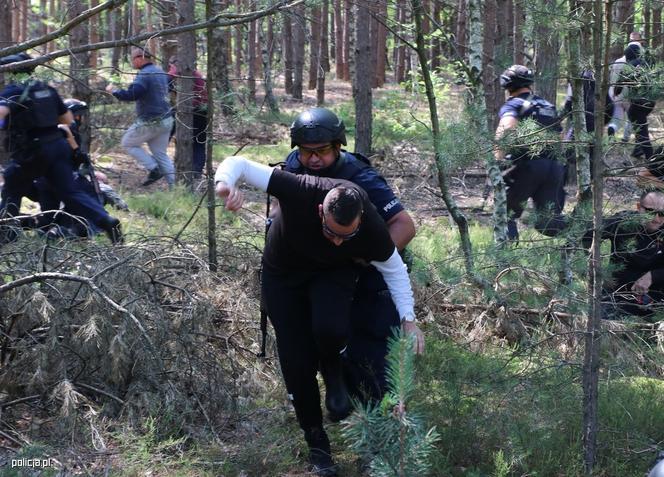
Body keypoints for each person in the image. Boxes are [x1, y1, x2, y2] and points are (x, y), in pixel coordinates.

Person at [214, 156, 424, 476]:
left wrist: (409, 320)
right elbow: (236, 163)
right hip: (283, 275)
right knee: (296, 361)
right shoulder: (300, 188)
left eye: (347, 236)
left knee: (331, 328)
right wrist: (225, 186)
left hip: (331, 272)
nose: (339, 240)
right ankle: (316, 441)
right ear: (319, 212)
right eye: (332, 232)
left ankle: (333, 367)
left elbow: (394, 271)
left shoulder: (370, 228)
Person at [283, 107, 417, 403]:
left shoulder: (360, 176)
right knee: (324, 336)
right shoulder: (293, 167)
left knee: (373, 365)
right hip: (325, 273)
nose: (314, 159)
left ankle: (381, 419)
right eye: (307, 151)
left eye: (322, 151)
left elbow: (404, 226)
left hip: (371, 277)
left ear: (338, 146)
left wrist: (369, 257)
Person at [0, 53, 122, 244]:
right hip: (57, 147)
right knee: (70, 191)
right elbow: (67, 120)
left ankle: (6, 235)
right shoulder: (47, 89)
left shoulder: (13, 90)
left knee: (11, 185)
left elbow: (1, 112)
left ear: (12, 72)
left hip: (33, 150)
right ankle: (106, 220)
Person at [495, 64, 567, 241]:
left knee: (505, 215)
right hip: (554, 167)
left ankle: (505, 260)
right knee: (548, 223)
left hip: (527, 166)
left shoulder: (514, 104)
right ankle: (586, 232)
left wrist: (497, 161)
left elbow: (506, 131)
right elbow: (560, 139)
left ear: (507, 86)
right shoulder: (548, 106)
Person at [582, 190, 664, 318]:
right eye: (650, 212)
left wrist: (653, 276)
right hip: (617, 293)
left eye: (662, 213)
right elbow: (587, 232)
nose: (657, 219)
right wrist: (590, 263)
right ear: (638, 208)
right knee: (599, 319)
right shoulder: (623, 222)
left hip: (657, 295)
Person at [105, 47, 175, 188]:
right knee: (161, 154)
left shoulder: (144, 74)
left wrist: (114, 91)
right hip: (167, 119)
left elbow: (133, 94)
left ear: (140, 58)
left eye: (133, 59)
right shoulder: (160, 71)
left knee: (127, 143)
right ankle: (176, 188)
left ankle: (154, 169)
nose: (132, 62)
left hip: (151, 121)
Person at [167, 57, 208, 178]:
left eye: (171, 66)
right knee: (199, 142)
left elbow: (166, 79)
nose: (170, 69)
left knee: (197, 141)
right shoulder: (195, 74)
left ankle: (160, 163)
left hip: (193, 110)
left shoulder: (182, 71)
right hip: (201, 110)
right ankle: (196, 171)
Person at [607, 41, 643, 140]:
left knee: (616, 118)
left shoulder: (617, 61)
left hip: (614, 93)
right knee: (631, 119)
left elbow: (612, 77)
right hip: (628, 95)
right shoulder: (636, 63)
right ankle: (625, 138)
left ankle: (612, 128)